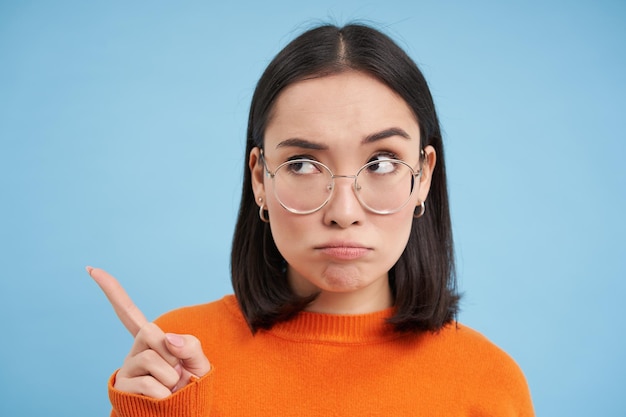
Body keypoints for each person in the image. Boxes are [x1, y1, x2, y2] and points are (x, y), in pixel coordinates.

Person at [88, 23, 535, 416]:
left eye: (381, 163)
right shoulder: (174, 361)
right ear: (260, 178)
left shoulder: (488, 382)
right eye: (302, 164)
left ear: (424, 178)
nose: (343, 213)